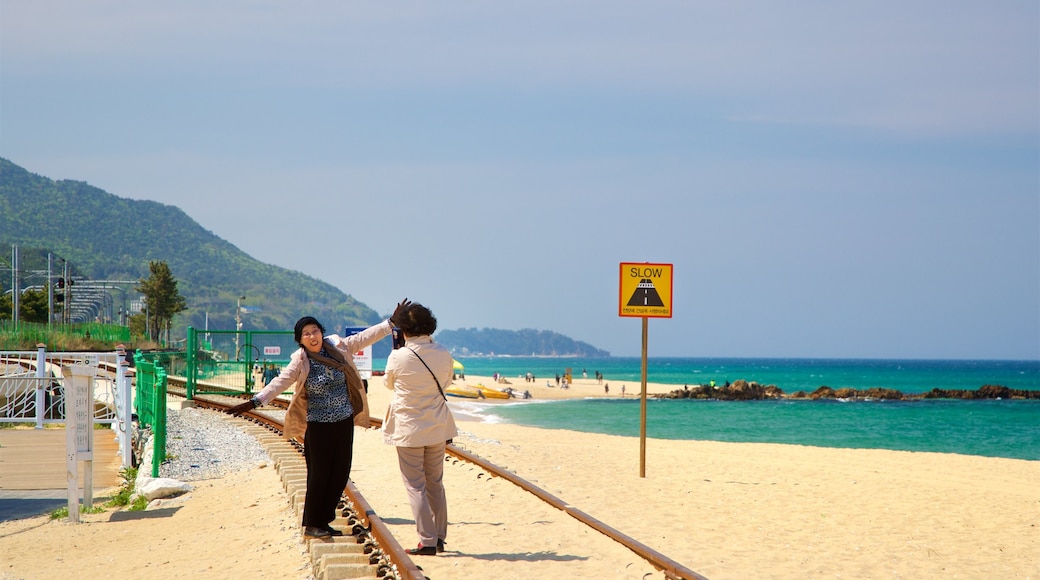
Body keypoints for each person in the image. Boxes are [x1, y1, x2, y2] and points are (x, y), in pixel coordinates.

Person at [228, 299, 410, 539]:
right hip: (318, 426)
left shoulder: (339, 348)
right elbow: (279, 382)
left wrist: (390, 323)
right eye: (306, 334)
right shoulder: (301, 361)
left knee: (340, 473)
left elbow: (365, 337)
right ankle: (312, 523)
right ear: (300, 340)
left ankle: (324, 520)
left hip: (343, 421)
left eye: (315, 331)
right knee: (319, 475)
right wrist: (256, 401)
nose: (312, 336)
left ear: (322, 333)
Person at [382, 302, 458, 556]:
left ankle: (426, 540)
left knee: (415, 486)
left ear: (404, 329)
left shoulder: (398, 356)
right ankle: (438, 537)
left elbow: (388, 383)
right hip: (437, 425)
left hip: (409, 428)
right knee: (435, 482)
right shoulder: (444, 352)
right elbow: (446, 382)